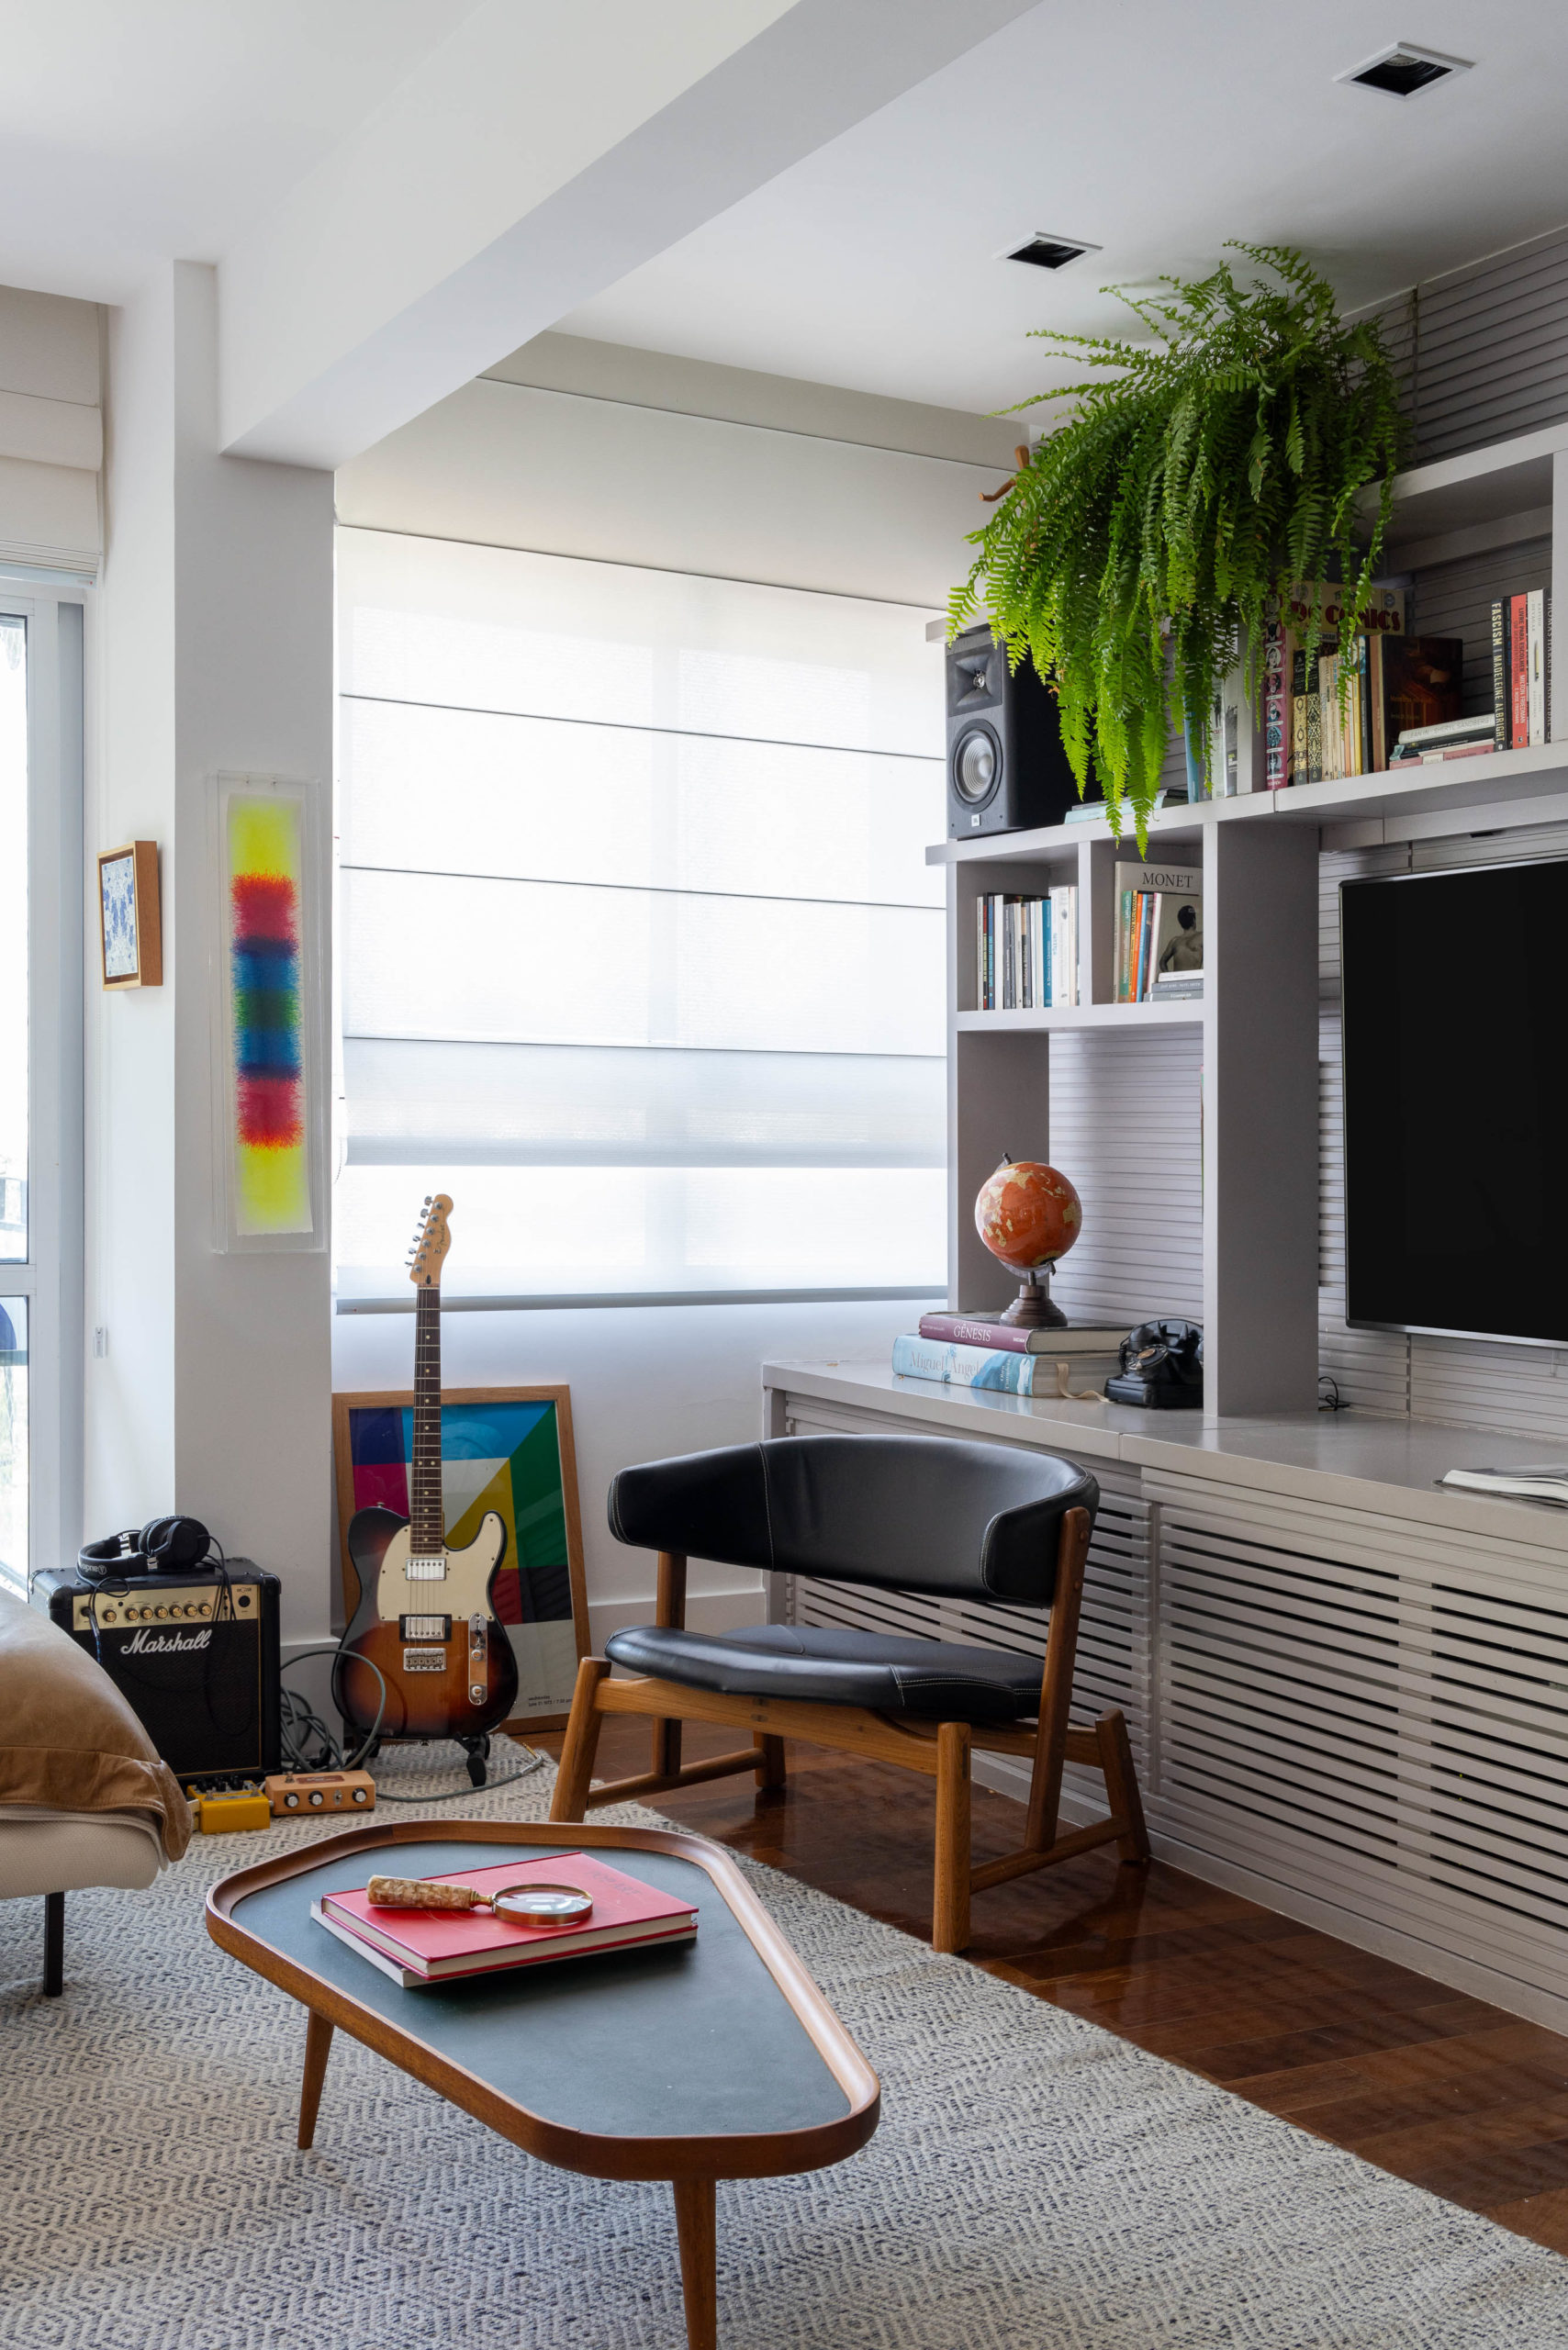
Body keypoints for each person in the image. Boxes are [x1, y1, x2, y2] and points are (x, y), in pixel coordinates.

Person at [1159, 900, 1203, 973]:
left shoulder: (1175, 941)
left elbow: (1162, 962)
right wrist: (1168, 978)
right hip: (1182, 981)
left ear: (1180, 923)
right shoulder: (1201, 936)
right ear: (1194, 920)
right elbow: (1162, 962)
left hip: (1193, 981)